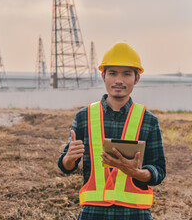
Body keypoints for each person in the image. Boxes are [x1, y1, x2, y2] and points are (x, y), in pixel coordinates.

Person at [57, 42, 166, 220]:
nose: (119, 80)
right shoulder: (84, 117)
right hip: (93, 213)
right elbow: (66, 166)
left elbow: (159, 171)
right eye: (113, 73)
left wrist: (137, 173)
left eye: (126, 74)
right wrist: (69, 158)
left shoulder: (149, 121)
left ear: (136, 78)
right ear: (103, 76)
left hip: (135, 214)